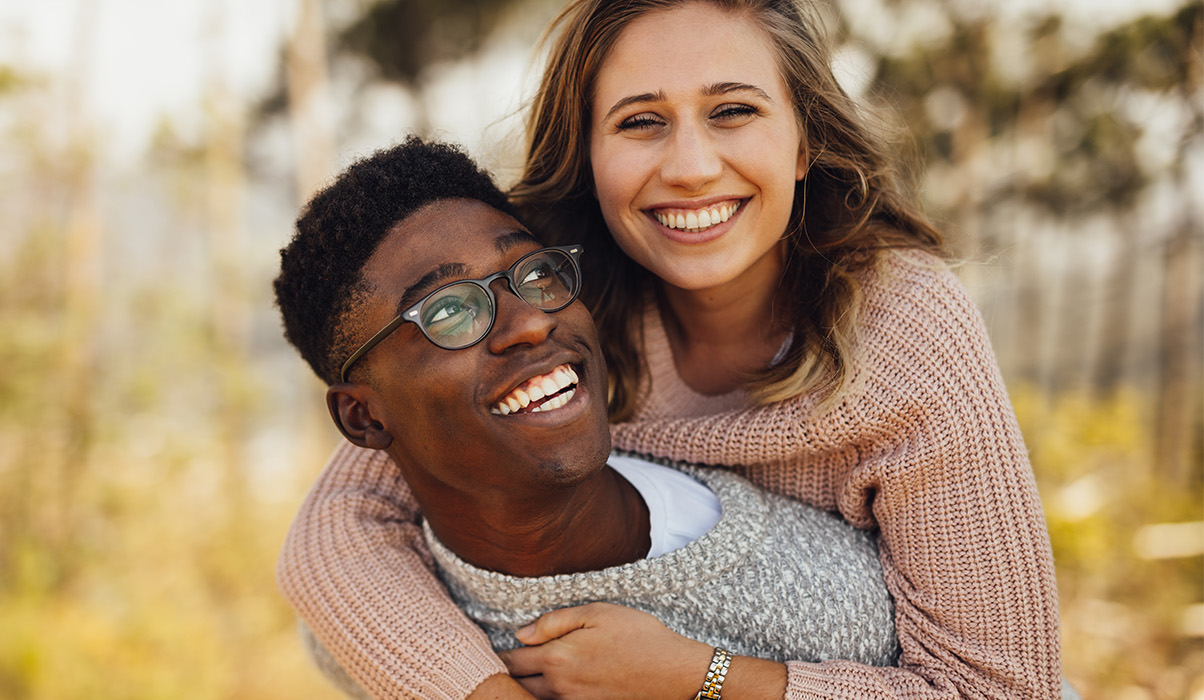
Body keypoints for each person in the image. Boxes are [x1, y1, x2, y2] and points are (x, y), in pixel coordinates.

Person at [277, 0, 1062, 698]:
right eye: (641, 122)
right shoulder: (550, 298)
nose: (690, 168)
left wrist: (700, 678)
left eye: (733, 111)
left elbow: (1003, 687)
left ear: (801, 145)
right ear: (590, 157)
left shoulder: (902, 328)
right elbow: (340, 526)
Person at [272, 137, 899, 700]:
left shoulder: (819, 603)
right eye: (449, 312)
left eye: (536, 273)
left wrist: (707, 681)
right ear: (363, 419)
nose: (533, 320)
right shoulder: (365, 634)